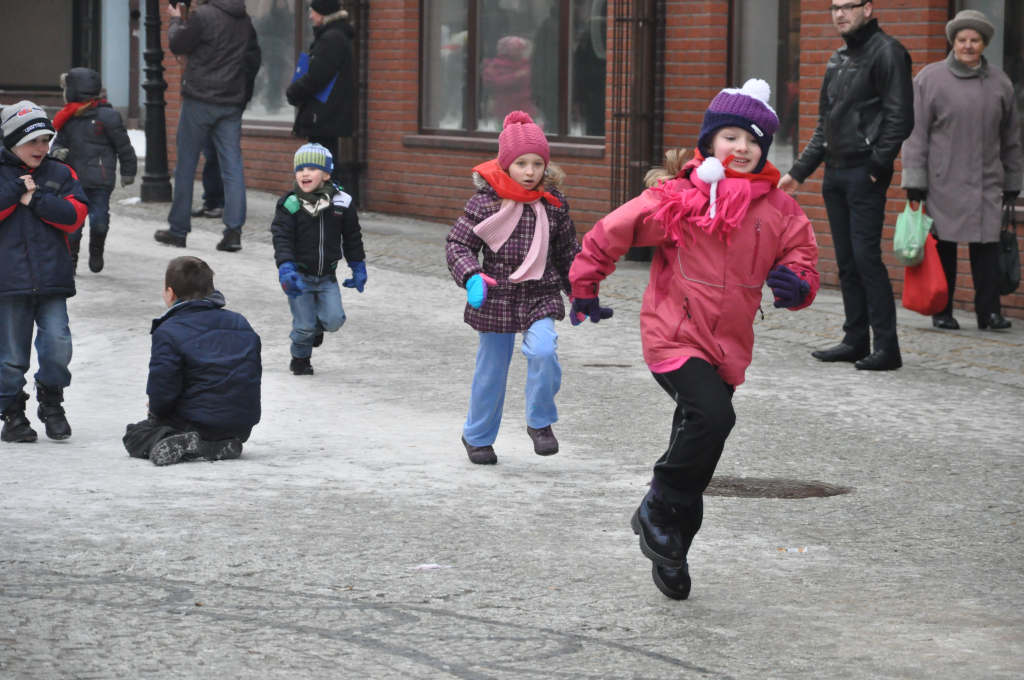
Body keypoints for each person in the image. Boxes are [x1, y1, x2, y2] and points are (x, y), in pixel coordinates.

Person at [569, 80, 820, 599]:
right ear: (709, 143)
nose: (743, 148)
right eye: (731, 137)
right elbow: (610, 231)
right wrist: (586, 283)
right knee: (712, 417)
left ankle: (672, 546)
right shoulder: (680, 198)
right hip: (673, 334)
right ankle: (658, 505)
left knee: (701, 436)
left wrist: (797, 286)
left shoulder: (779, 209)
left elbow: (802, 258)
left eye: (753, 141)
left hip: (728, 346)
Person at [779, 1, 913, 371]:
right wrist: (799, 172)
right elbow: (826, 123)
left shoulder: (888, 53)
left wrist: (876, 165)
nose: (840, 14)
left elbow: (901, 118)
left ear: (868, 9)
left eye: (849, 6)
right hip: (835, 173)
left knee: (866, 257)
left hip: (864, 172)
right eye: (834, 7)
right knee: (847, 261)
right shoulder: (837, 59)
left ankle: (887, 348)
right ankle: (856, 339)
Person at [446, 111, 581, 465]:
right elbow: (457, 245)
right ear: (506, 165)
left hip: (540, 294)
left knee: (543, 352)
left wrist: (583, 292)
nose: (530, 171)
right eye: (521, 163)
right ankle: (476, 437)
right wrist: (471, 275)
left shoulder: (553, 205)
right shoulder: (484, 203)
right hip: (496, 295)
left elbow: (568, 252)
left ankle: (540, 422)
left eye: (538, 163)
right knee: (491, 369)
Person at [901, 9, 1023, 331]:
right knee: (945, 249)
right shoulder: (929, 79)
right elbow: (916, 133)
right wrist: (915, 180)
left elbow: (1011, 137)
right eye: (962, 40)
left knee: (987, 248)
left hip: (987, 180)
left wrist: (1012, 179)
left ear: (984, 44)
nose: (968, 46)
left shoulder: (1000, 83)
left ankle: (989, 312)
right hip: (944, 179)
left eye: (975, 40)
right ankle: (942, 310)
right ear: (953, 42)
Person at [0, 101, 88, 443]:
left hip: (52, 281)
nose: (42, 147)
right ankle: (12, 411)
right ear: (11, 141)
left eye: (46, 139)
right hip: (9, 283)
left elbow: (75, 215)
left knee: (57, 345)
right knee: (10, 357)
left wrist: (36, 201)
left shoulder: (60, 173)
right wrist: (17, 189)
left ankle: (50, 400)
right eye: (32, 141)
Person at [122, 256, 261, 466]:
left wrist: (155, 411)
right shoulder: (240, 322)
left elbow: (163, 386)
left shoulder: (169, 331)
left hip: (196, 422)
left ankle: (192, 444)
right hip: (240, 425)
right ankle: (218, 445)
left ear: (170, 293)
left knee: (135, 434)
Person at [154, 0, 261, 253]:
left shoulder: (203, 15)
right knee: (232, 167)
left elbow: (178, 44)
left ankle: (178, 230)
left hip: (199, 99)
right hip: (231, 101)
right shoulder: (244, 20)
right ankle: (233, 232)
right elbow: (253, 58)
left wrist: (176, 19)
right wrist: (242, 92)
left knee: (186, 166)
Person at [271, 143, 366, 376]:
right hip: (299, 276)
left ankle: (317, 328)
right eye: (300, 169)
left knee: (334, 320)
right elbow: (281, 237)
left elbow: (352, 236)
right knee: (303, 326)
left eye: (312, 168)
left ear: (326, 174)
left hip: (327, 278)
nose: (304, 174)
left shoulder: (341, 202)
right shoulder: (290, 204)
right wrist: (285, 267)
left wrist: (358, 265)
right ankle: (300, 359)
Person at [50, 67, 137, 274]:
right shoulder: (67, 117)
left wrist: (128, 170)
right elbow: (58, 142)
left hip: (100, 181)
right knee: (72, 227)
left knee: (99, 223)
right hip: (73, 180)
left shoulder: (108, 116)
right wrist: (57, 152)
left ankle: (96, 250)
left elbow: (123, 146)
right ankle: (69, 261)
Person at [286, 0, 356, 191]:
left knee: (323, 164)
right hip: (329, 112)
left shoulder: (331, 39)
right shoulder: (335, 36)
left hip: (324, 112)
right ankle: (329, 205)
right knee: (325, 159)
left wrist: (294, 91)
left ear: (324, 13)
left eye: (313, 11)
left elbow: (317, 75)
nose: (310, 15)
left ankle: (330, 206)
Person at [190, 139, 224, 220]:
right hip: (208, 128)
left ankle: (222, 204)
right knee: (210, 159)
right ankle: (210, 202)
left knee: (220, 162)